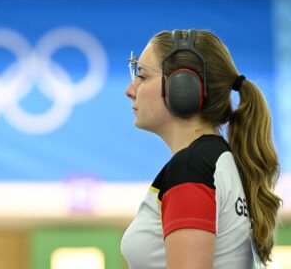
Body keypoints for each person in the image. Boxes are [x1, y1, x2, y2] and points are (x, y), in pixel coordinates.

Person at [120, 29, 282, 269]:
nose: (130, 90)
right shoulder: (213, 161)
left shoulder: (192, 168)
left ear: (182, 86)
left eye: (142, 76)